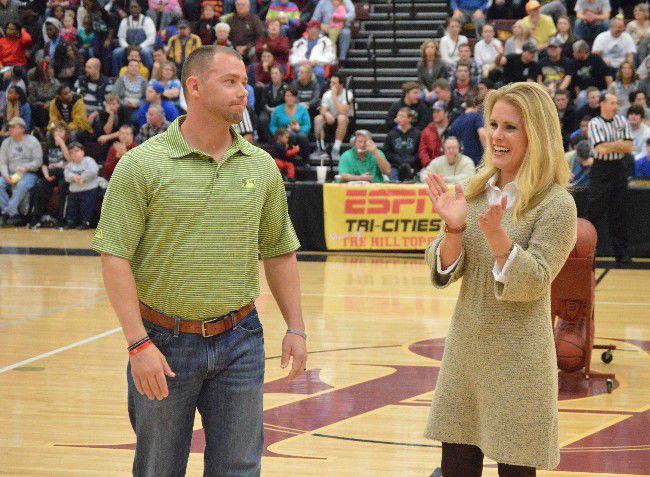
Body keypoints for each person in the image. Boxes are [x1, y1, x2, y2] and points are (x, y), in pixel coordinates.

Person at [91, 45, 306, 476]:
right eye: (230, 82)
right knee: (159, 469)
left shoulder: (261, 166)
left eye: (245, 82)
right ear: (194, 86)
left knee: (240, 468)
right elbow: (114, 256)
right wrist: (138, 344)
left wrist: (296, 327)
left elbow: (279, 250)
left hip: (241, 339)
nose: (243, 91)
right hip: (162, 343)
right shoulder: (141, 165)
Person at [423, 81, 577, 476]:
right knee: (456, 467)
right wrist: (455, 230)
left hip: (519, 362)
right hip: (466, 353)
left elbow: (536, 280)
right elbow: (443, 271)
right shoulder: (475, 190)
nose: (496, 135)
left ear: (536, 134)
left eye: (510, 127)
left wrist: (498, 240)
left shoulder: (557, 203)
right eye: (493, 124)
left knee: (516, 470)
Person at [587, 92, 633, 265]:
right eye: (612, 103)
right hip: (601, 170)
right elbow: (600, 149)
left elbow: (629, 146)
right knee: (594, 214)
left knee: (619, 214)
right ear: (602, 104)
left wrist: (612, 145)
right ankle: (587, 255)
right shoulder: (594, 123)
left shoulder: (622, 121)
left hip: (619, 169)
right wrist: (619, 144)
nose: (616, 106)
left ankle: (622, 256)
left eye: (616, 103)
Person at [0, 117, 41, 226]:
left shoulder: (33, 141)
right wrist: (5, 175)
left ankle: (5, 214)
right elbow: (2, 163)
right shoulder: (5, 143)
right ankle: (14, 215)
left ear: (22, 129)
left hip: (29, 173)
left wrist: (26, 167)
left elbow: (38, 162)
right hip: (10, 173)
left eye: (13, 127)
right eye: (9, 127)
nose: (10, 129)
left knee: (21, 185)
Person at [312, 73, 353, 161]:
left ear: (341, 85)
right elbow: (322, 110)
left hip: (345, 123)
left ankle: (336, 149)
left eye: (334, 83)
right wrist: (326, 114)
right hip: (330, 121)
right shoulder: (327, 94)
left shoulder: (348, 94)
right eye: (331, 83)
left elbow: (343, 111)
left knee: (342, 117)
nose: (331, 85)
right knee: (318, 118)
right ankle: (321, 148)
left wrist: (334, 96)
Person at [269, 86, 311, 165]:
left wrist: (299, 128)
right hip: (283, 135)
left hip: (299, 132)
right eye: (287, 96)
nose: (289, 98)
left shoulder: (302, 109)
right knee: (291, 135)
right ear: (284, 97)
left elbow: (307, 125)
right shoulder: (278, 109)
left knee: (301, 136)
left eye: (292, 96)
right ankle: (290, 161)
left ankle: (306, 161)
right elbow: (272, 126)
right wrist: (279, 133)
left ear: (295, 97)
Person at [113, 1, 156, 76]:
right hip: (129, 48)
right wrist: (127, 46)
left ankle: (148, 76)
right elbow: (121, 38)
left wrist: (140, 47)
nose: (133, 9)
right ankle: (117, 76)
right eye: (131, 7)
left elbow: (151, 38)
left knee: (146, 52)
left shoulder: (147, 20)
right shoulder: (125, 21)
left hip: (143, 47)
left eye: (135, 7)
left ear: (140, 9)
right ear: (129, 9)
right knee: (117, 52)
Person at [63, 142, 99, 230]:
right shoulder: (69, 165)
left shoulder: (89, 160)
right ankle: (71, 222)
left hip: (89, 189)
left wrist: (81, 177)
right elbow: (66, 176)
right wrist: (73, 177)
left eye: (77, 151)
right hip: (74, 191)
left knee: (86, 207)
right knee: (72, 208)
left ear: (83, 152)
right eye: (71, 152)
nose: (74, 154)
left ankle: (85, 222)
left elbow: (93, 171)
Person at [448, 90, 485, 166]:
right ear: (478, 105)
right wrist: (489, 154)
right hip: (476, 164)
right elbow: (482, 134)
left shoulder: (455, 122)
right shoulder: (477, 116)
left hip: (460, 165)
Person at [383, 107, 421, 181]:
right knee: (394, 182)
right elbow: (387, 152)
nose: (398, 118)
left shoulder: (417, 134)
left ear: (409, 119)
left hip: (413, 167)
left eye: (402, 116)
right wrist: (398, 160)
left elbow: (419, 152)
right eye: (398, 116)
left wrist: (410, 161)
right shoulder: (391, 134)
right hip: (396, 167)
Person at [419, 101, 450, 168]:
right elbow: (422, 151)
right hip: (431, 167)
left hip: (450, 167)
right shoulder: (426, 131)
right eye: (434, 112)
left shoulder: (453, 129)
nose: (435, 114)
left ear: (446, 113)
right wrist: (429, 165)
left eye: (438, 112)